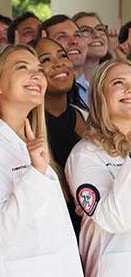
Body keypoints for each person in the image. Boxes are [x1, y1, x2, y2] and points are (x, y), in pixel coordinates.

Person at [0, 45, 83, 276]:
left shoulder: (31, 140)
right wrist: (35, 173)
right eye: (22, 68)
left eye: (38, 69)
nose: (37, 75)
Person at [65, 58, 131, 277]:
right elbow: (114, 218)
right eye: (118, 83)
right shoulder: (85, 154)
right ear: (100, 96)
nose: (129, 88)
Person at [33, 37, 88, 235]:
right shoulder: (25, 128)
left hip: (89, 231)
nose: (59, 63)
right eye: (46, 60)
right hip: (51, 233)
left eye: (63, 56)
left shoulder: (88, 119)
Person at [40, 14, 89, 107]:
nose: (73, 41)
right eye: (62, 37)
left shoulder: (101, 91)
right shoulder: (36, 98)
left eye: (77, 35)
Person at [73, 12, 110, 84]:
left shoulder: (111, 81)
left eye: (100, 29)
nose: (97, 34)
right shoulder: (67, 86)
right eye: (85, 31)